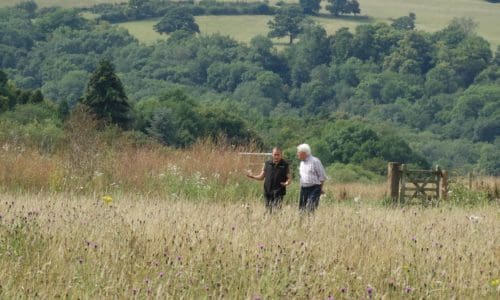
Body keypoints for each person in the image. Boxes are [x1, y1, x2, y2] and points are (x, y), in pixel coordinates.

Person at [246, 147, 291, 213]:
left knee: (276, 212)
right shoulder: (267, 163)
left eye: (278, 155)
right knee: (268, 211)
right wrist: (252, 176)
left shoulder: (285, 165)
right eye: (275, 154)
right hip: (268, 192)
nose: (276, 156)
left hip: (279, 192)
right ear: (272, 155)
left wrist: (287, 183)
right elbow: (261, 177)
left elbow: (289, 178)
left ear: (281, 155)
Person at [296, 143, 326, 212]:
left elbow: (322, 176)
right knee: (301, 209)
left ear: (304, 153)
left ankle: (311, 222)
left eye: (298, 152)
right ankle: (302, 222)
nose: (297, 154)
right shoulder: (301, 163)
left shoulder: (315, 161)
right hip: (304, 188)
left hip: (314, 188)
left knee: (311, 208)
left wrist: (320, 189)